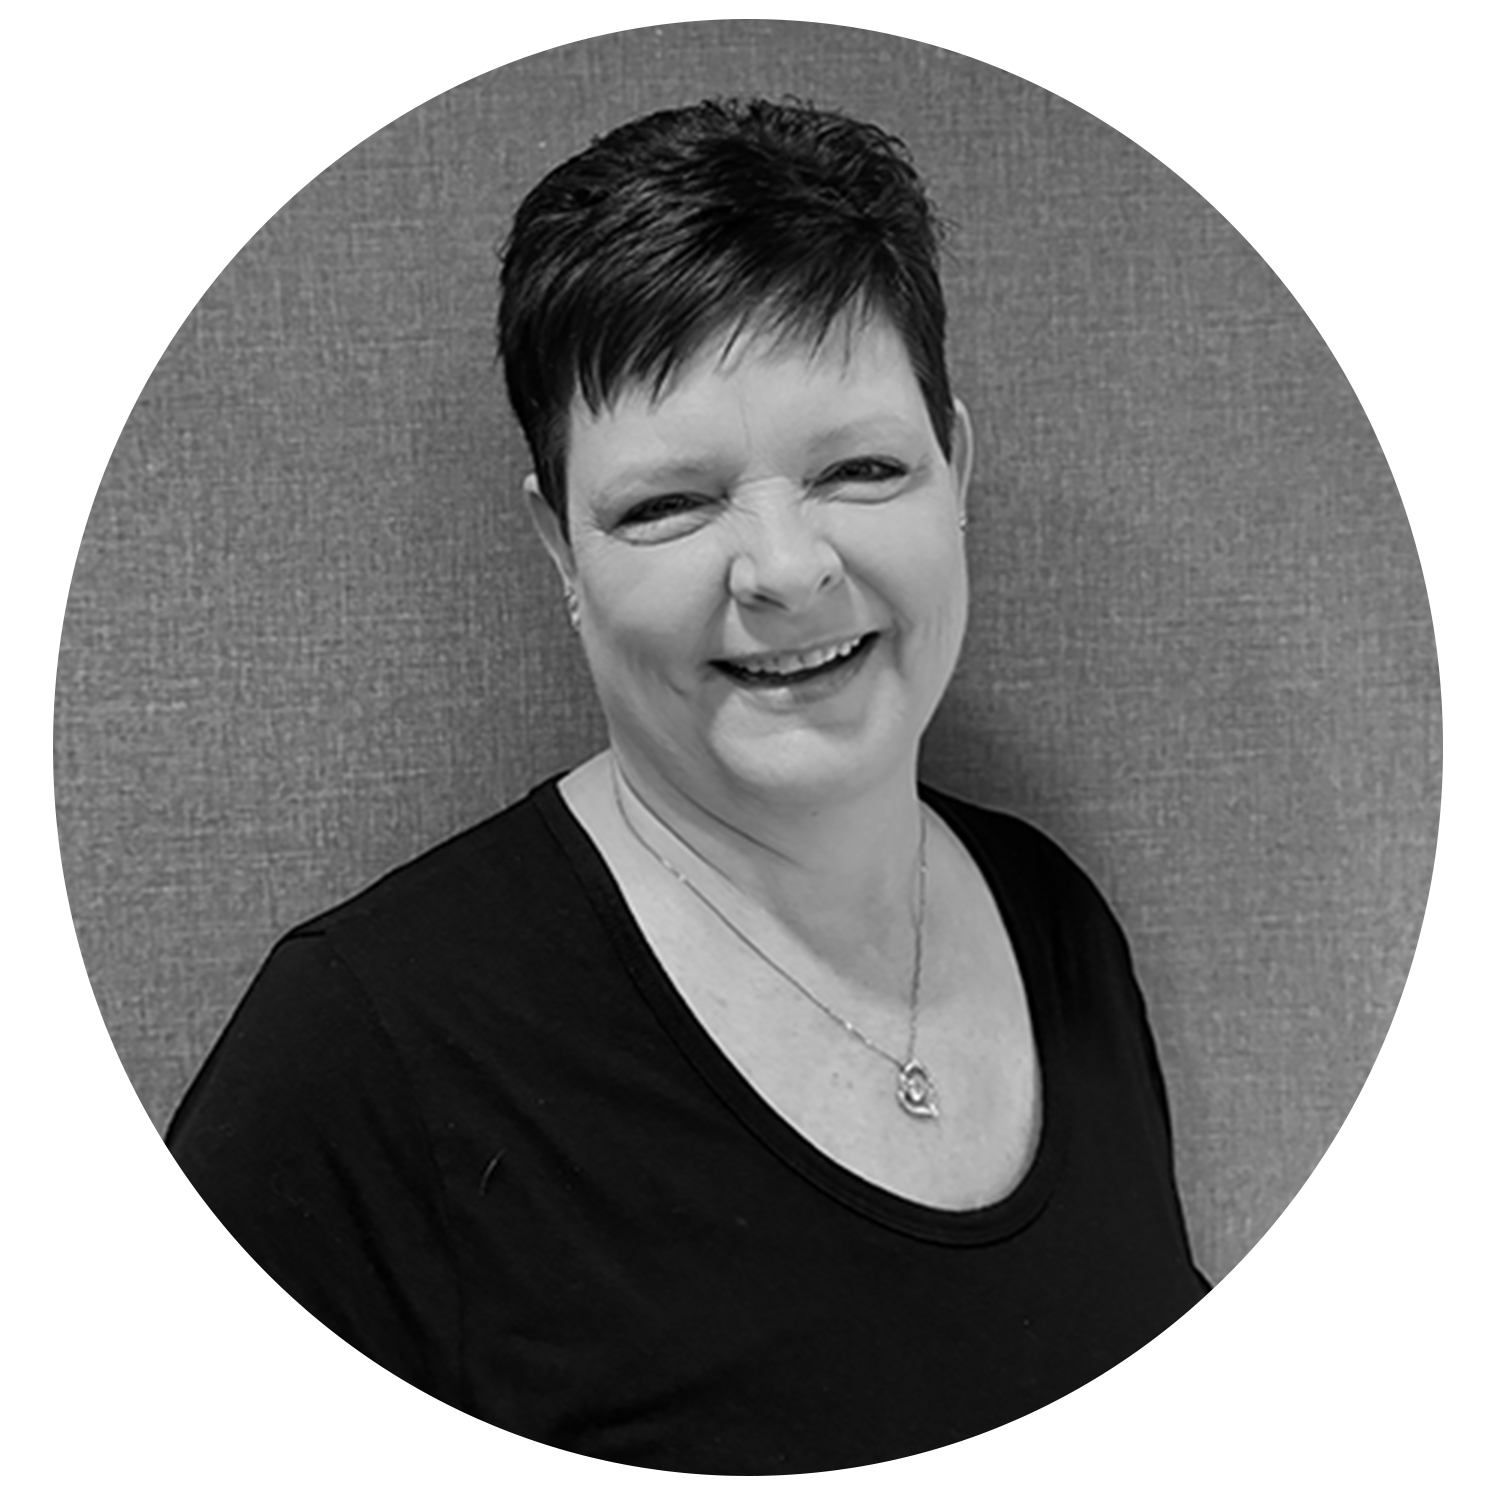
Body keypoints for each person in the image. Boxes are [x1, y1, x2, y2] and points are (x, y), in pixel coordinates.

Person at [58, 97, 1267, 1470]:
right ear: (559, 546)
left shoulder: (1059, 925)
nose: (786, 568)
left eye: (862, 468)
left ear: (958, 470)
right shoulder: (367, 1058)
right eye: (666, 505)